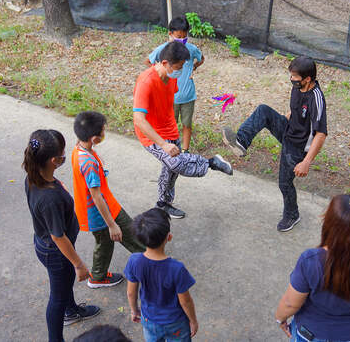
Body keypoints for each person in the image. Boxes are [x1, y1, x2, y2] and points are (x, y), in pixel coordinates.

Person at [222, 57, 327, 232]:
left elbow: (321, 134)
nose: (291, 79)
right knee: (263, 110)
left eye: (294, 76)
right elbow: (295, 110)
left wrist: (306, 162)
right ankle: (241, 142)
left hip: (298, 146)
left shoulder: (316, 98)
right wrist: (279, 121)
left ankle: (292, 214)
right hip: (288, 130)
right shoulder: (298, 87)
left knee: (284, 184)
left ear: (307, 78)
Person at [133, 41, 233, 219]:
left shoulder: (172, 78)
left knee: (170, 172)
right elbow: (139, 120)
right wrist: (163, 144)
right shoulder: (146, 81)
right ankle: (211, 162)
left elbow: (169, 102)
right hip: (152, 136)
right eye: (178, 67)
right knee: (175, 162)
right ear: (165, 63)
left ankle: (163, 204)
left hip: (170, 130)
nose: (180, 71)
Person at [274, 194, 350, 342]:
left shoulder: (311, 261)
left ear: (329, 224)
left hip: (311, 334)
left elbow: (290, 303)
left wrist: (280, 318)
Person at [23, 129, 100, 342]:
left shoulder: (34, 177)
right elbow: (58, 237)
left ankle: (72, 309)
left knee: (64, 284)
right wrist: (78, 264)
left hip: (47, 245)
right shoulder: (50, 198)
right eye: (63, 153)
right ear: (55, 160)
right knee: (57, 297)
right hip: (55, 251)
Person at [71, 111, 145, 289]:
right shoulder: (88, 164)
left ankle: (98, 275)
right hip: (101, 212)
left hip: (102, 208)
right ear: (94, 138)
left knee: (105, 243)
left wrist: (94, 154)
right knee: (126, 234)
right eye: (103, 131)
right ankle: (153, 264)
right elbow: (96, 196)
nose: (105, 133)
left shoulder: (80, 149)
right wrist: (112, 224)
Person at [125, 208, 198, 342]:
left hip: (149, 319)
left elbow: (131, 292)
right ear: (169, 237)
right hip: (175, 323)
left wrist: (134, 310)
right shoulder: (177, 269)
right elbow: (185, 301)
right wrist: (193, 321)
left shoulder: (134, 261)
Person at [147, 17, 204, 154]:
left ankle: (185, 150)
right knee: (169, 125)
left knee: (186, 124)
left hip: (188, 96)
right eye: (179, 37)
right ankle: (169, 148)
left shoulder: (191, 49)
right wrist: (159, 75)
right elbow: (149, 61)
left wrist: (194, 68)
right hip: (169, 97)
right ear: (170, 34)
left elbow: (201, 58)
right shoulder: (163, 50)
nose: (182, 40)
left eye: (185, 37)